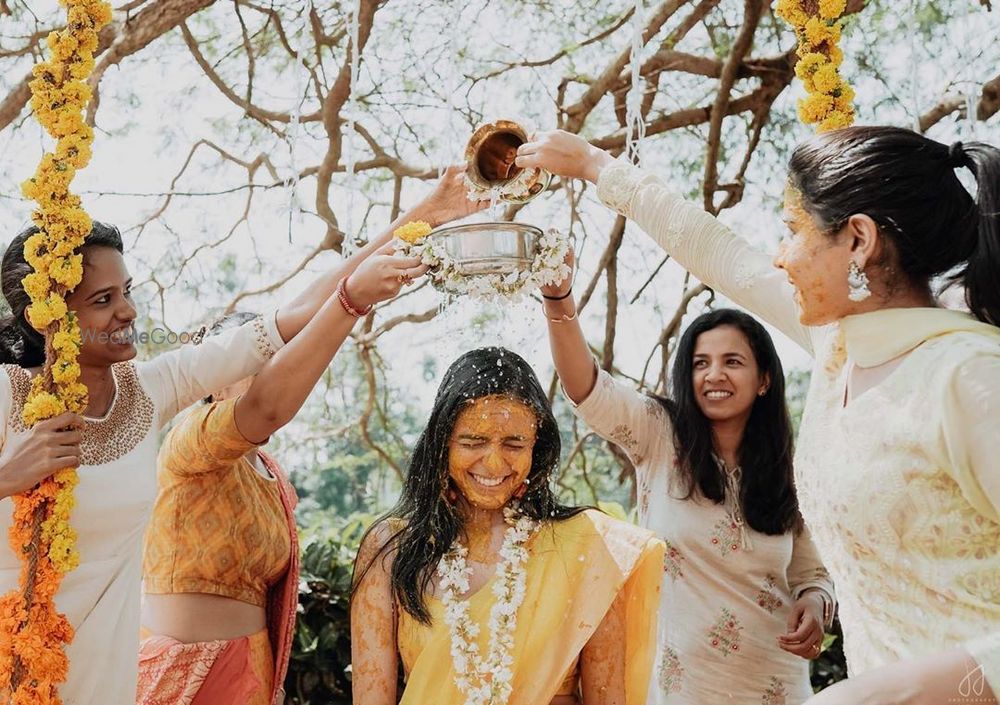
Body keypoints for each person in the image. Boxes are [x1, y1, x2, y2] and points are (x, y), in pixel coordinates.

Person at [515, 126, 1000, 704]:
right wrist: (597, 165)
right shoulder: (838, 351)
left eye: (793, 231)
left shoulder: (969, 376)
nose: (779, 255)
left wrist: (881, 693)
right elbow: (722, 255)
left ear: (859, 241)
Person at [0, 169, 455, 704]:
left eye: (127, 291)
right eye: (102, 300)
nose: (128, 311)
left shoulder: (149, 390)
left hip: (106, 680)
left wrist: (434, 211)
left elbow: (284, 321)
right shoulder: (8, 396)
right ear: (47, 316)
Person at [136, 166, 483, 705]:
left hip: (250, 674)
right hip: (182, 681)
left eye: (276, 354)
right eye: (258, 355)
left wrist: (428, 213)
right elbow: (269, 403)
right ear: (209, 366)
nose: (275, 364)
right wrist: (351, 302)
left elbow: (305, 307)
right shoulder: (192, 439)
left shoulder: (267, 471)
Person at [542, 271, 834, 703]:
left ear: (765, 380)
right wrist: (557, 298)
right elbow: (586, 387)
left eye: (732, 362)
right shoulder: (658, 435)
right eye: (701, 363)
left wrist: (814, 605)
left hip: (778, 685)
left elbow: (812, 574)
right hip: (684, 689)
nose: (714, 374)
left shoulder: (789, 469)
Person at [350, 347, 665, 705]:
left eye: (514, 443)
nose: (494, 462)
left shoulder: (586, 546)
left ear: (537, 448)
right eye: (473, 442)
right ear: (442, 444)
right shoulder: (392, 549)